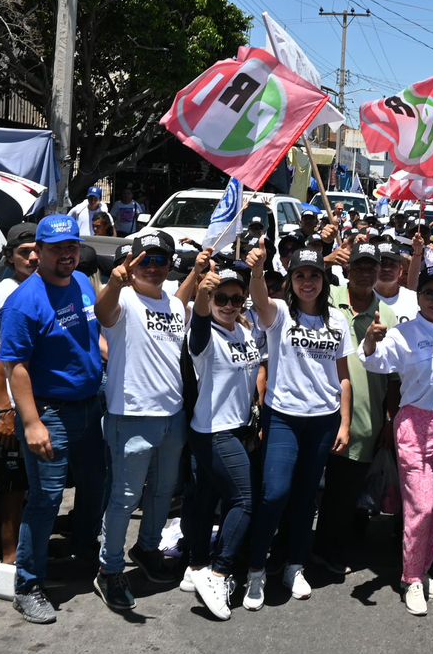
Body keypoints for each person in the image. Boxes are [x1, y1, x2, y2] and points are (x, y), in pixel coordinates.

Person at [0, 214, 108, 624]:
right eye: (57, 248)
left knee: (95, 485)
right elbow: (15, 366)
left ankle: (83, 556)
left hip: (89, 406)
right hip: (52, 412)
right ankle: (27, 584)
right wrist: (30, 422)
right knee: (45, 500)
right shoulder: (24, 303)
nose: (67, 254)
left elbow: (89, 331)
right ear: (38, 253)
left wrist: (104, 353)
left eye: (72, 246)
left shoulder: (81, 282)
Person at [244, 241, 353, 609]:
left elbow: (344, 377)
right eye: (300, 275)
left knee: (307, 497)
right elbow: (259, 299)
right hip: (284, 417)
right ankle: (256, 569)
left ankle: (294, 565)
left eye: (314, 275)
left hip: (323, 420)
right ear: (290, 280)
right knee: (274, 493)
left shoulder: (337, 320)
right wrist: (258, 272)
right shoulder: (279, 314)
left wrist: (345, 423)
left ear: (324, 281)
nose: (308, 282)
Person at [361, 265, 433, 615]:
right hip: (414, 423)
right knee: (420, 506)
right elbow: (375, 363)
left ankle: (422, 570)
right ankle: (410, 578)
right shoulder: (402, 333)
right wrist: (370, 340)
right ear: (419, 296)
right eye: (429, 293)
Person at [92, 230, 189, 613]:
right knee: (124, 498)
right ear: (129, 263)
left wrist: (196, 275)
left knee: (163, 493)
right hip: (131, 415)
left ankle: (147, 548)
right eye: (144, 259)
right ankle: (109, 569)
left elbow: (177, 317)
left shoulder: (175, 303)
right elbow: (104, 314)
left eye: (160, 260)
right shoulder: (123, 300)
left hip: (173, 415)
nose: (152, 266)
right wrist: (114, 284)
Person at [182, 263, 263, 621]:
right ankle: (219, 572)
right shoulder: (202, 336)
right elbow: (199, 320)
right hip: (214, 431)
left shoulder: (244, 333)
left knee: (205, 498)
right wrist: (201, 291)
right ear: (210, 298)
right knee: (245, 500)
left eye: (235, 298)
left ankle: (197, 564)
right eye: (221, 298)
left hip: (239, 428)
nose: (229, 304)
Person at [320, 243, 400, 573]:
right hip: (321, 410)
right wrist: (323, 259)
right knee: (317, 489)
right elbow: (288, 289)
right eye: (359, 266)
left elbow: (394, 377)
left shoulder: (389, 315)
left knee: (346, 490)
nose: (366, 272)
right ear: (346, 269)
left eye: (372, 267)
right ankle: (307, 549)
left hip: (366, 417)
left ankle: (329, 550)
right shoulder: (327, 299)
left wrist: (389, 419)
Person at [0, 222, 38, 601]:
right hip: (17, 410)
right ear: (10, 257)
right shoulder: (2, 295)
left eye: (38, 251)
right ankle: (10, 560)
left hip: (46, 403)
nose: (32, 257)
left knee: (40, 487)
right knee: (13, 488)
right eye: (24, 253)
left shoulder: (49, 287)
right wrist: (6, 410)